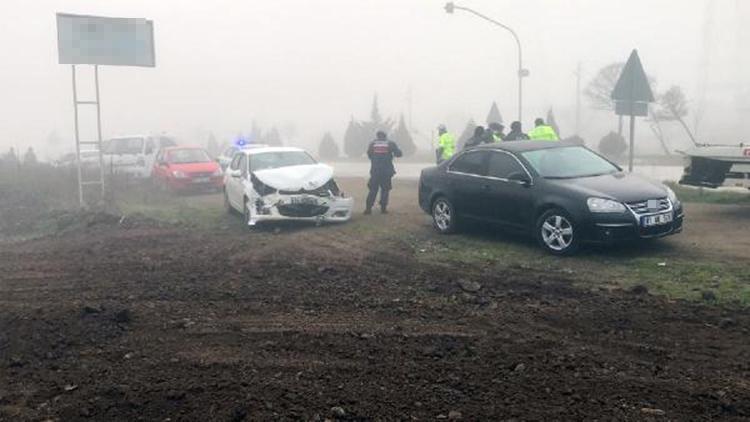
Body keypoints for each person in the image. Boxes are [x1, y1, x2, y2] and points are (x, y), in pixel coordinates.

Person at [365, 130, 403, 215]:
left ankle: (368, 209)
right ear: (385, 136)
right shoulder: (390, 144)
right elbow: (399, 154)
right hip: (386, 171)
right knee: (385, 190)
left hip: (375, 171)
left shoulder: (372, 144)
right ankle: (383, 209)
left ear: (377, 136)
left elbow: (369, 155)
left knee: (373, 189)